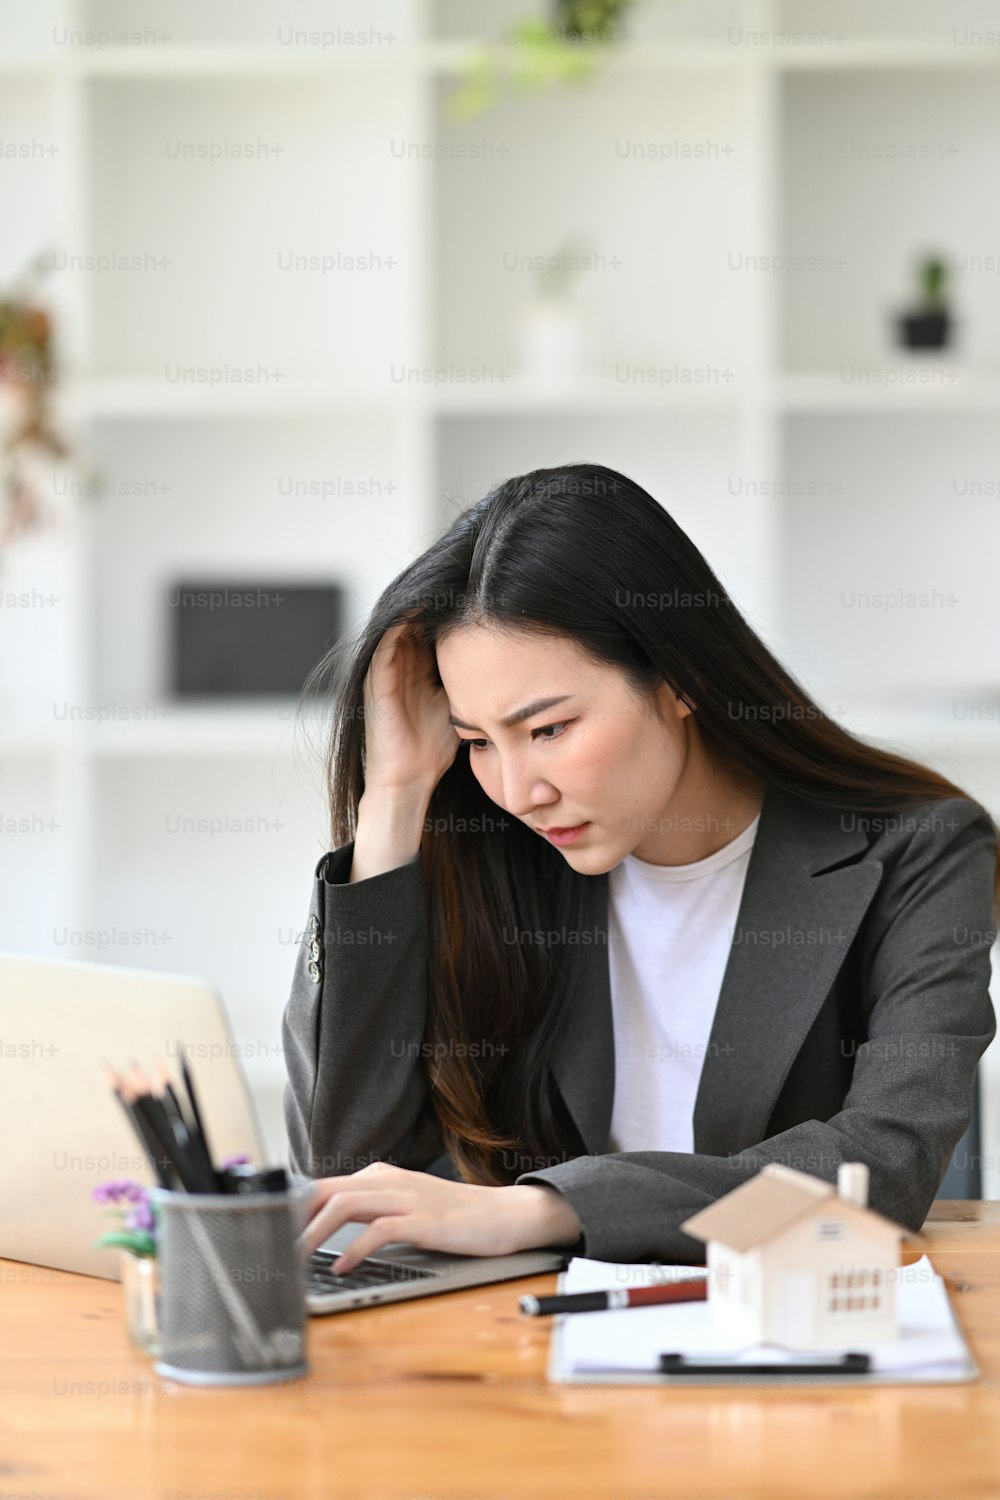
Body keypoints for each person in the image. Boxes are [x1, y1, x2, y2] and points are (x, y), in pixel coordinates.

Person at [282, 463, 998, 1272]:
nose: (518, 790)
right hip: (518, 1345)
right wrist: (395, 797)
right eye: (478, 740)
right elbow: (345, 1161)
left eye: (548, 728)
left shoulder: (920, 851)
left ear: (681, 678)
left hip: (794, 1342)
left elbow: (881, 1171)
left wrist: (546, 1208)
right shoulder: (488, 847)